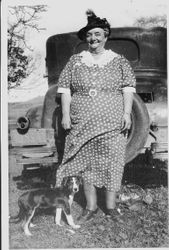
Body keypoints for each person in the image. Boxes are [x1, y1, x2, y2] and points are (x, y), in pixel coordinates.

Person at [55, 10, 136, 222]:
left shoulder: (119, 61)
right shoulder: (76, 60)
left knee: (113, 161)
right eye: (89, 35)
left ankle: (110, 206)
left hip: (112, 121)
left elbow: (128, 89)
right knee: (85, 163)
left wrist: (127, 113)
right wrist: (65, 114)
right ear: (85, 38)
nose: (93, 38)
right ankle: (90, 207)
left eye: (97, 34)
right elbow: (64, 89)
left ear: (106, 35)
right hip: (82, 122)